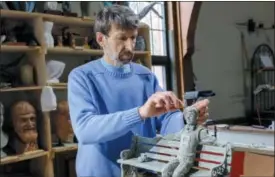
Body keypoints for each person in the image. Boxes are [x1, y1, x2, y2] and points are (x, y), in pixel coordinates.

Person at [67, 5, 209, 177]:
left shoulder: (146, 76)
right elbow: (85, 130)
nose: (129, 45)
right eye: (122, 38)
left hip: (143, 171)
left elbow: (166, 119)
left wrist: (185, 120)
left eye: (133, 38)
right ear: (101, 39)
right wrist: (140, 113)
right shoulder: (82, 77)